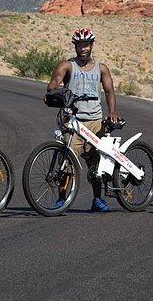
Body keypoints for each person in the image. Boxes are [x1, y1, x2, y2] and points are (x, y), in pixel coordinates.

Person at [45, 28, 119, 212]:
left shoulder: (101, 68)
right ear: (75, 46)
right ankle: (61, 199)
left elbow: (109, 91)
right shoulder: (68, 65)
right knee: (66, 161)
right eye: (80, 45)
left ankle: (97, 200)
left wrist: (112, 112)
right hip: (73, 120)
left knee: (96, 163)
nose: (83, 48)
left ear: (91, 45)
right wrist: (53, 91)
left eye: (86, 45)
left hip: (95, 120)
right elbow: (55, 81)